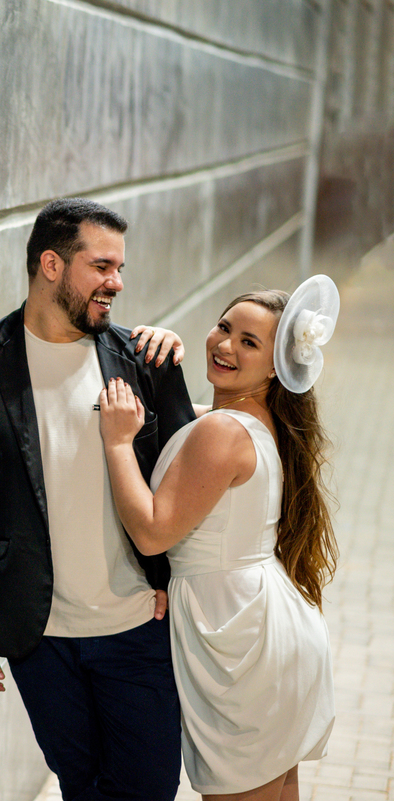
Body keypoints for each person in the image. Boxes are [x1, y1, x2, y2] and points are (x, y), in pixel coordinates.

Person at [0, 198, 195, 800]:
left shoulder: (143, 359)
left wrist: (176, 578)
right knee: (80, 785)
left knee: (149, 786)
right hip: (39, 634)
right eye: (102, 266)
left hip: (138, 623)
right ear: (51, 265)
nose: (117, 283)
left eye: (120, 268)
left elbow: (187, 481)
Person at [98, 277, 338, 801]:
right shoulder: (251, 419)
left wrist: (117, 443)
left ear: (276, 365)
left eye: (248, 342)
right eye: (224, 327)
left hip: (241, 641)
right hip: (262, 626)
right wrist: (166, 351)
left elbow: (152, 533)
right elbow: (183, 424)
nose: (225, 345)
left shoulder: (223, 432)